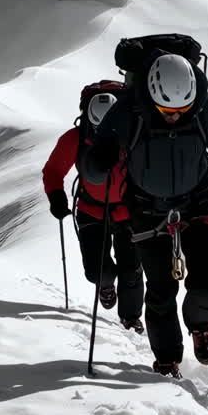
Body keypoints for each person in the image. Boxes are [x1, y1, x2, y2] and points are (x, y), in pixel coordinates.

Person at [90, 51, 208, 376]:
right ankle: (167, 359)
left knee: (205, 285)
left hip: (199, 201)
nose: (175, 116)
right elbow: (93, 164)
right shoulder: (129, 110)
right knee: (161, 289)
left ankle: (201, 324)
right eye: (166, 110)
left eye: (181, 110)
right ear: (151, 93)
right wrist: (99, 161)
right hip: (146, 208)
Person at [42, 83, 144, 330]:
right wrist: (56, 196)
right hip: (90, 209)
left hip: (127, 210)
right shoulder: (75, 139)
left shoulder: (132, 134)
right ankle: (105, 283)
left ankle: (130, 319)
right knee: (96, 271)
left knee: (131, 269)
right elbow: (54, 170)